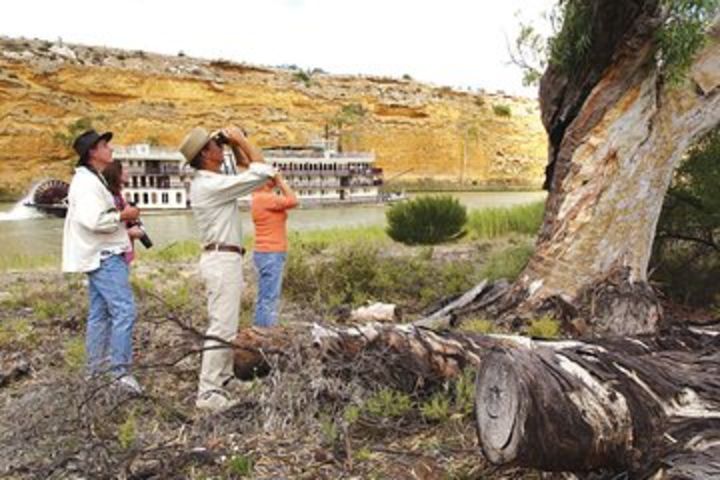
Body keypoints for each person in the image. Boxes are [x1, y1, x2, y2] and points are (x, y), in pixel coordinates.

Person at [179, 125, 276, 412]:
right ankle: (207, 393)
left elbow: (246, 166)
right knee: (221, 325)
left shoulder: (212, 181)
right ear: (206, 154)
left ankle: (222, 380)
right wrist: (242, 139)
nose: (221, 148)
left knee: (227, 324)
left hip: (224, 259)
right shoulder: (210, 185)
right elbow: (263, 171)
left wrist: (234, 145)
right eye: (216, 145)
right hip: (221, 260)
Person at [62, 129, 145, 394]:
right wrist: (125, 215)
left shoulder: (90, 179)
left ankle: (95, 371)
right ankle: (119, 373)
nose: (110, 149)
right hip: (105, 256)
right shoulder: (87, 184)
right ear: (93, 153)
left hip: (99, 254)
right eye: (105, 146)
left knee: (99, 315)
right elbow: (94, 221)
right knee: (124, 311)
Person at [251, 174, 298, 327]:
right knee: (269, 298)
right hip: (271, 253)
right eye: (269, 178)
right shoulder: (265, 198)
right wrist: (280, 181)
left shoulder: (261, 198)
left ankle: (260, 329)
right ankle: (266, 333)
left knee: (265, 296)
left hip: (267, 252)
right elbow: (293, 200)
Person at [102, 159, 142, 264]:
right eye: (124, 169)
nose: (128, 172)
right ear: (115, 173)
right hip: (112, 255)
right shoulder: (109, 197)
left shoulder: (118, 196)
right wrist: (130, 233)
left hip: (121, 252)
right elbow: (103, 225)